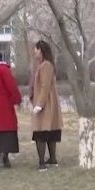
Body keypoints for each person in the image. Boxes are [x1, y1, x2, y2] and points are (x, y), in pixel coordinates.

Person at [30, 41, 63, 171]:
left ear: (41, 50)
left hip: (46, 105)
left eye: (36, 49)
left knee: (40, 132)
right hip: (48, 104)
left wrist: (39, 104)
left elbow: (45, 86)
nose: (34, 52)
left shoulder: (46, 66)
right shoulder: (43, 65)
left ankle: (42, 163)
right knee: (49, 131)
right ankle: (52, 159)